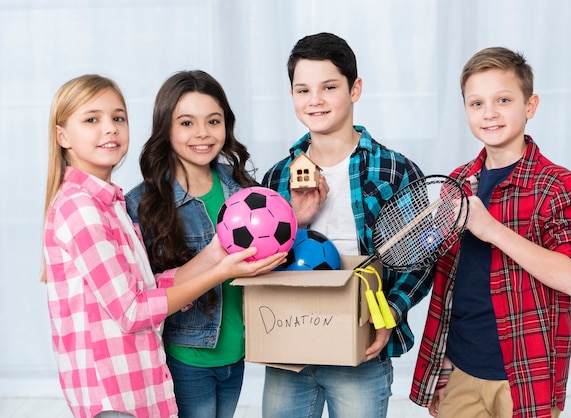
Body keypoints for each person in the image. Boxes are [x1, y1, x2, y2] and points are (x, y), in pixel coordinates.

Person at [42, 74, 286, 418]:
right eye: (92, 120)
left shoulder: (106, 204)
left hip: (138, 381)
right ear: (62, 135)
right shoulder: (81, 209)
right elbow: (132, 311)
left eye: (118, 118)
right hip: (112, 394)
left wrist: (217, 253)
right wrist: (221, 271)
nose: (109, 129)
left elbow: (149, 287)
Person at [410, 47, 571, 418]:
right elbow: (453, 285)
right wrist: (444, 366)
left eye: (503, 100)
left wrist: (492, 229)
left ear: (530, 106)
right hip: (462, 370)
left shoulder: (557, 186)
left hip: (525, 378)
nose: (489, 113)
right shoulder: (459, 183)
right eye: (476, 103)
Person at [261, 32, 432, 418]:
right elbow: (256, 261)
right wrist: (293, 218)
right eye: (302, 90)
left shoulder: (393, 170)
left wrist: (388, 311)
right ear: (291, 96)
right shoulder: (275, 179)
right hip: (290, 344)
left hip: (362, 345)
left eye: (329, 87)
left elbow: (423, 255)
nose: (315, 100)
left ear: (355, 89)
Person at [125, 70, 259, 418]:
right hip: (186, 359)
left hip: (237, 353)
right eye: (186, 123)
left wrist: (298, 217)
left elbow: (269, 254)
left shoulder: (244, 190)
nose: (202, 133)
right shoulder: (142, 205)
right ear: (165, 129)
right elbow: (144, 295)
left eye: (213, 121)